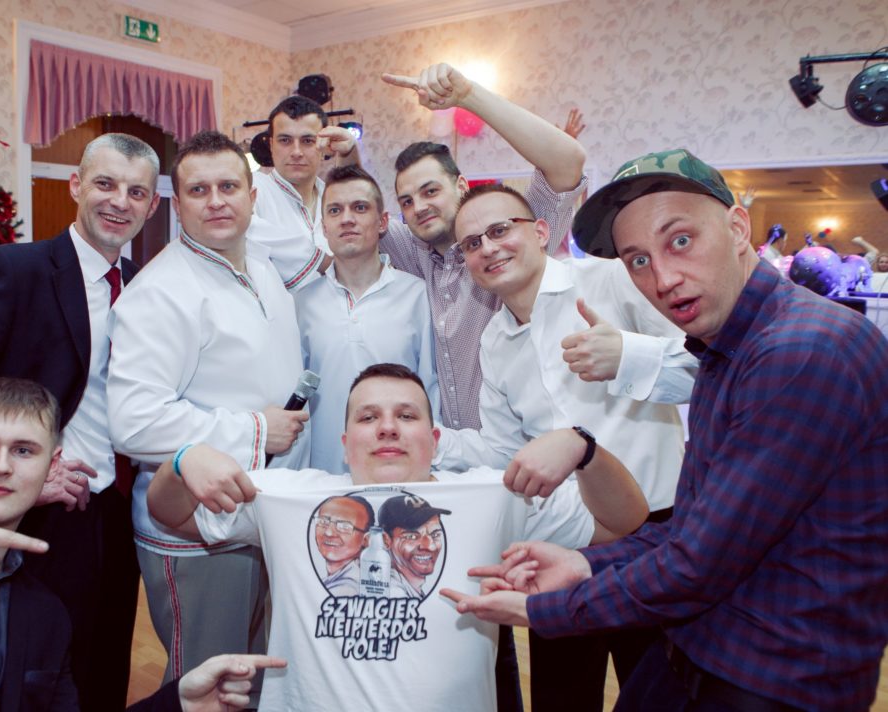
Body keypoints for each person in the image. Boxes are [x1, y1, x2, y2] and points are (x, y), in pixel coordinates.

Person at [447, 149, 888, 711]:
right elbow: (697, 532)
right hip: (676, 605)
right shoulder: (728, 344)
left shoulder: (800, 349)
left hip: (771, 664)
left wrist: (628, 357)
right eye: (638, 259)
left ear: (737, 228)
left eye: (681, 240)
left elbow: (700, 561)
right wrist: (582, 563)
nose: (662, 277)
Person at [146, 363, 649, 711]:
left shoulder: (493, 494)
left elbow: (622, 522)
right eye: (369, 418)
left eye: (406, 416)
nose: (387, 428)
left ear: (434, 439)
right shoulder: (287, 495)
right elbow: (174, 516)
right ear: (345, 443)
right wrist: (183, 460)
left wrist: (584, 449)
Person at [0, 377, 284, 712]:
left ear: (52, 465)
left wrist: (175, 703)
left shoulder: (45, 614)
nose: (1, 466)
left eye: (24, 451)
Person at [0, 132, 161, 711]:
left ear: (151, 206)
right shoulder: (19, 270)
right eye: (105, 183)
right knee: (32, 674)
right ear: (76, 185)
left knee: (104, 665)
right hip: (41, 514)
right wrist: (19, 473)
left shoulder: (149, 287)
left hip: (120, 511)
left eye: (136, 191)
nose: (119, 201)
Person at [428, 182, 692, 710]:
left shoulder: (611, 281)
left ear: (541, 231)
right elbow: (502, 450)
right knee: (561, 697)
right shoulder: (494, 340)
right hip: (566, 541)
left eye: (499, 230)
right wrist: (432, 441)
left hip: (656, 534)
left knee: (660, 692)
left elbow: (709, 366)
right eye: (472, 243)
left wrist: (629, 357)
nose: (488, 248)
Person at [107, 130, 309, 697]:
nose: (216, 201)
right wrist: (257, 430)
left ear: (253, 196)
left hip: (259, 515)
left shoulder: (261, 268)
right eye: (199, 190)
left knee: (253, 678)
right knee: (206, 685)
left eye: (228, 187)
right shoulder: (162, 291)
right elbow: (135, 419)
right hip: (195, 530)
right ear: (177, 202)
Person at [378, 62, 586, 433]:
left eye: (430, 191)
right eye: (407, 201)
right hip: (460, 453)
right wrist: (348, 156)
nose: (419, 207)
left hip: (532, 445)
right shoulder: (417, 253)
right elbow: (361, 217)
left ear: (461, 185)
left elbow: (568, 161)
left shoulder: (509, 239)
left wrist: (469, 96)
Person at [295, 164, 437, 473]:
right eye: (335, 210)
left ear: (382, 221)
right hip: (322, 472)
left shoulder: (417, 295)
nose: (347, 219)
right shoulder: (301, 303)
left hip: (402, 468)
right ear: (324, 227)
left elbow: (432, 390)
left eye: (359, 208)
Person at [246, 95, 359, 290]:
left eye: (307, 140)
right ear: (271, 145)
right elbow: (242, 229)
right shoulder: (255, 188)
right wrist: (321, 261)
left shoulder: (333, 198)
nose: (296, 152)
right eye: (285, 140)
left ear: (324, 146)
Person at [378, 494, 449, 599]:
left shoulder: (409, 589)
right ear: (385, 540)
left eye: (435, 534)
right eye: (412, 536)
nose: (431, 546)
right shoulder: (393, 593)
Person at [313, 494, 374, 597]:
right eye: (323, 522)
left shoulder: (349, 587)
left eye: (344, 527)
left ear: (366, 539)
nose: (329, 533)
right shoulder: (330, 580)